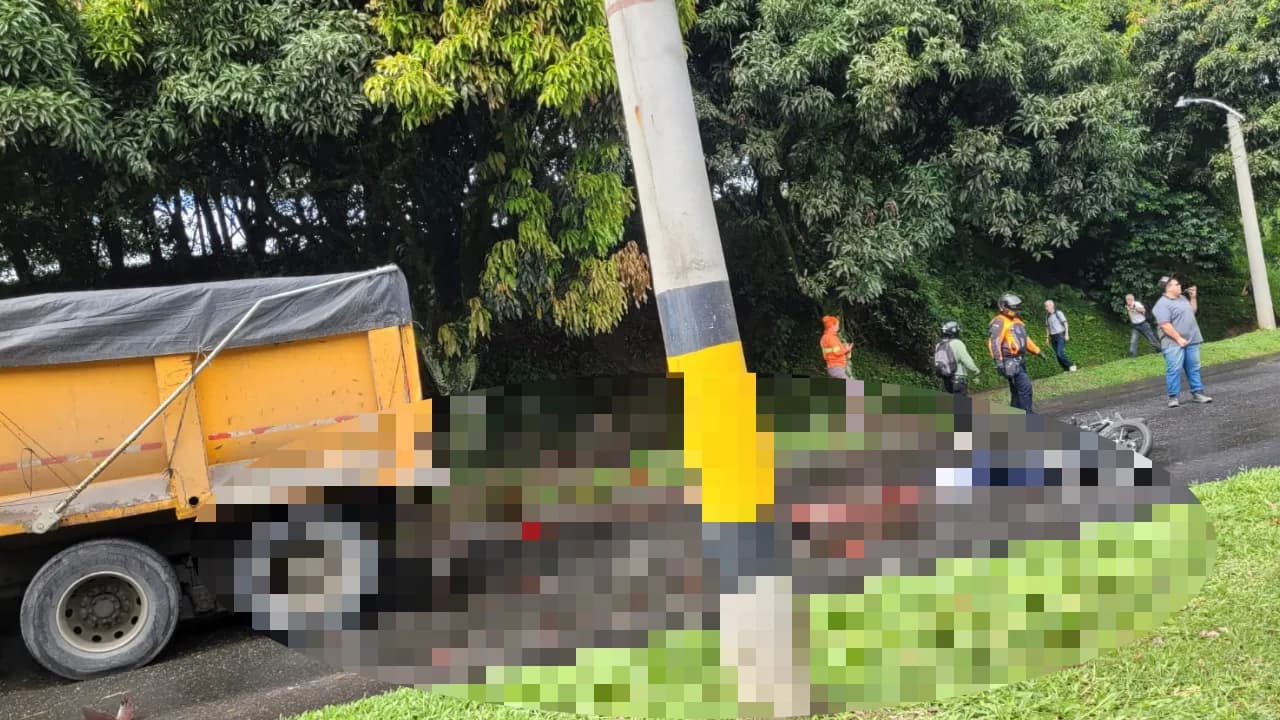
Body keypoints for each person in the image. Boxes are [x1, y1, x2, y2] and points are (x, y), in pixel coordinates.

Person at [1152, 276, 1212, 408]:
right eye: (1177, 284)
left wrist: (1193, 298)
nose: (1180, 285)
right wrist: (1179, 339)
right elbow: (1165, 325)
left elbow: (1192, 311)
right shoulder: (1161, 305)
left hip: (1192, 339)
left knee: (1194, 368)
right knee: (1174, 369)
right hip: (1173, 343)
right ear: (1168, 288)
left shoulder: (1182, 298)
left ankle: (1198, 393)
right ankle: (1173, 397)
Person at [987, 293, 1045, 413]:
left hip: (1020, 360)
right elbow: (994, 342)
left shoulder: (1016, 321)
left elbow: (1025, 339)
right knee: (1025, 387)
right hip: (1009, 361)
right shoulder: (1000, 321)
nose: (1015, 310)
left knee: (1017, 391)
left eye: (1016, 308)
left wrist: (1037, 351)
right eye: (1013, 307)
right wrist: (999, 362)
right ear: (1003, 306)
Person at [935, 320, 980, 396]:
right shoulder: (957, 343)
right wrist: (976, 371)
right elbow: (967, 361)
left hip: (946, 381)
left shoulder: (939, 345)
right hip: (958, 380)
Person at [1043, 300, 1078, 372]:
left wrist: (1067, 334)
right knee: (1057, 355)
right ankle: (1066, 369)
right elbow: (1047, 328)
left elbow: (1065, 323)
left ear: (1052, 305)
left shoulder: (1058, 313)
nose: (1045, 308)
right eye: (1045, 306)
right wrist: (1047, 338)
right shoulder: (1047, 316)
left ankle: (1071, 365)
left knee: (1060, 353)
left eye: (1047, 306)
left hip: (1060, 335)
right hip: (1053, 337)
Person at [819, 315, 853, 379]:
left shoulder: (824, 337)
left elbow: (833, 351)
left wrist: (845, 349)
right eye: (837, 325)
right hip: (836, 368)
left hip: (832, 367)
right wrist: (847, 349)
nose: (838, 327)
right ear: (832, 326)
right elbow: (837, 352)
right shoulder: (831, 338)